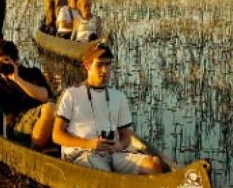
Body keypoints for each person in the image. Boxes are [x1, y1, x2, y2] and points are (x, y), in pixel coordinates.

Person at [52, 44, 162, 174]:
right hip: (82, 153)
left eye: (108, 64)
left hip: (113, 153)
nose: (105, 70)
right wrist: (89, 144)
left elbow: (126, 136)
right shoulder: (72, 94)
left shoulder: (119, 97)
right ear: (87, 65)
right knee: (105, 173)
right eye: (99, 65)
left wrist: (120, 145)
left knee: (154, 164)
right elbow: (57, 135)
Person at [0, 40, 57, 149]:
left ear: (16, 61)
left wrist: (17, 79)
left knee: (59, 107)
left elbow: (44, 96)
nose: (3, 66)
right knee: (51, 109)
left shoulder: (32, 73)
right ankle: (35, 152)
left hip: (40, 117)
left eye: (6, 61)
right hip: (17, 125)